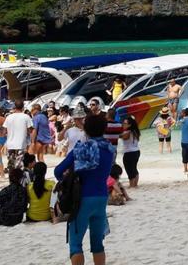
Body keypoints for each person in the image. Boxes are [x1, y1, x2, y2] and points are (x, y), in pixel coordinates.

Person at [55, 112, 116, 265]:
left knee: (76, 244)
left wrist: (69, 176)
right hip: (102, 197)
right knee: (97, 244)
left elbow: (58, 171)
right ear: (104, 129)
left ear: (86, 130)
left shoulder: (80, 150)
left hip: (82, 198)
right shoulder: (109, 150)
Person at [2, 101, 33, 172]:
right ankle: (19, 181)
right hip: (21, 144)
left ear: (14, 107)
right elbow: (30, 130)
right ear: (23, 107)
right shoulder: (26, 117)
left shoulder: (9, 117)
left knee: (11, 165)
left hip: (10, 144)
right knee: (19, 165)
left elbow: (4, 132)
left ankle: (11, 180)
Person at [117, 115, 141, 188]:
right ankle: (135, 184)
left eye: (125, 123)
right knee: (134, 168)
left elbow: (120, 136)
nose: (123, 124)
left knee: (129, 169)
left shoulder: (127, 132)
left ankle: (132, 184)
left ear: (130, 125)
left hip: (129, 153)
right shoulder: (135, 131)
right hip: (136, 151)